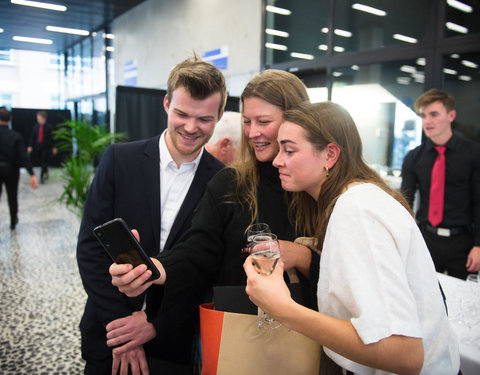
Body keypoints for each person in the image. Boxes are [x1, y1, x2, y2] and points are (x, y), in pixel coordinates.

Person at [108, 70, 317, 364]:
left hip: (308, 334)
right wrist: (153, 268)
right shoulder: (229, 184)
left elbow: (341, 271)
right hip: (236, 333)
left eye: (264, 122)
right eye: (247, 121)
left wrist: (302, 256)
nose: (253, 132)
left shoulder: (318, 191)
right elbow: (197, 251)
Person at [244, 101, 460, 374]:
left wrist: (284, 309)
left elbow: (404, 352)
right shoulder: (357, 200)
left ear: (330, 155)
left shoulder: (356, 208)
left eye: (289, 150)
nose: (277, 160)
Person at [76, 55, 226, 375]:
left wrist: (154, 324)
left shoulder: (224, 182)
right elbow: (90, 248)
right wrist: (123, 329)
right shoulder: (119, 160)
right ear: (166, 104)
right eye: (182, 113)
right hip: (109, 334)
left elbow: (208, 272)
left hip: (174, 343)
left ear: (220, 115)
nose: (190, 127)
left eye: (204, 119)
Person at [401, 88, 480, 280]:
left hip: (463, 243)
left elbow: (479, 201)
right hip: (426, 240)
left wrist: (479, 245)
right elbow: (405, 202)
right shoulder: (414, 157)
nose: (427, 121)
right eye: (423, 115)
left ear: (451, 115)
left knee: (464, 302)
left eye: (434, 114)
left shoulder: (473, 154)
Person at [0, 108, 38, 230]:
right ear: (10, 119)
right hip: (11, 170)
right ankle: (13, 221)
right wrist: (32, 174)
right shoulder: (15, 136)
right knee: (12, 196)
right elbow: (23, 156)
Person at [27, 110, 57, 183]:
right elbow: (33, 137)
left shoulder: (49, 127)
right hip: (38, 147)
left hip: (46, 148)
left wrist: (54, 147)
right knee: (42, 162)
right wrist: (30, 146)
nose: (38, 119)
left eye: (39, 118)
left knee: (44, 162)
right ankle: (45, 171)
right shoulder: (35, 127)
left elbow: (52, 138)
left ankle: (42, 177)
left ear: (44, 118)